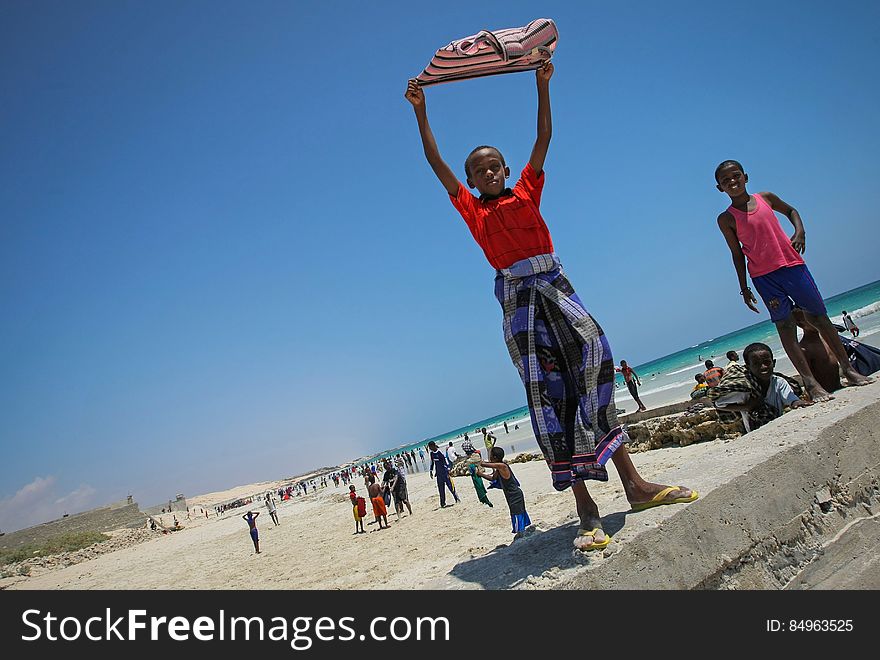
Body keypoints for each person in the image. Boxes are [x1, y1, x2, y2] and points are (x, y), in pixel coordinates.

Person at [406, 62, 696, 550]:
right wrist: (421, 111)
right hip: (520, 304)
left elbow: (544, 135)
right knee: (550, 397)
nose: (488, 173)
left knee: (594, 365)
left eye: (494, 165)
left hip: (558, 289)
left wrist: (542, 85)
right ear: (472, 180)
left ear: (505, 167)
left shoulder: (526, 189)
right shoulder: (472, 209)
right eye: (478, 170)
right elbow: (436, 163)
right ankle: (585, 508)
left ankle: (636, 486)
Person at [714, 159, 872, 401]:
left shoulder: (766, 198)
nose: (732, 182)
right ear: (720, 188)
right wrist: (743, 287)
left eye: (736, 176)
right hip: (763, 277)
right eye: (726, 181)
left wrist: (800, 232)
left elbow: (791, 211)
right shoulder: (726, 219)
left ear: (745, 176)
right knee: (785, 327)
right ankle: (811, 384)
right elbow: (737, 254)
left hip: (793, 267)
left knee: (820, 318)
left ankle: (849, 370)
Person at [713, 342, 811, 432]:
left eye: (767, 362)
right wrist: (747, 406)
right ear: (748, 367)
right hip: (755, 432)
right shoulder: (745, 389)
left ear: (774, 363)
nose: (763, 367)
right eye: (756, 364)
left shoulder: (778, 382)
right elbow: (718, 404)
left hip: (779, 428)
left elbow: (790, 399)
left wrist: (797, 402)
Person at [478, 447, 531, 536]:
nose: (489, 457)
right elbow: (492, 478)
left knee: (517, 514)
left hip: (515, 495)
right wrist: (481, 474)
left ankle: (521, 534)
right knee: (516, 513)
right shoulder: (499, 469)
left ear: (494, 457)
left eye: (490, 456)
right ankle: (521, 532)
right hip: (511, 495)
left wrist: (477, 460)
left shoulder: (502, 466)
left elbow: (484, 464)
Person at [792, 308, 842, 394]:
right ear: (800, 323)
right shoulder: (804, 348)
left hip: (838, 387)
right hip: (826, 392)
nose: (816, 321)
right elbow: (806, 378)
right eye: (811, 319)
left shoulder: (825, 338)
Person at [428, 440, 460, 507]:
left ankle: (456, 498)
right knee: (441, 489)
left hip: (445, 473)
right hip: (439, 474)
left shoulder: (440, 452)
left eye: (430, 447)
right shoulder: (431, 454)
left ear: (433, 446)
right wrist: (431, 471)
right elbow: (432, 463)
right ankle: (442, 503)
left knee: (450, 486)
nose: (430, 449)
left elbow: (446, 462)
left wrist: (448, 470)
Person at [462, 439, 493, 507]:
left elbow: (468, 463)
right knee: (479, 487)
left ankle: (485, 500)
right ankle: (484, 500)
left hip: (476, 474)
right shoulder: (475, 455)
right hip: (475, 474)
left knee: (479, 487)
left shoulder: (472, 458)